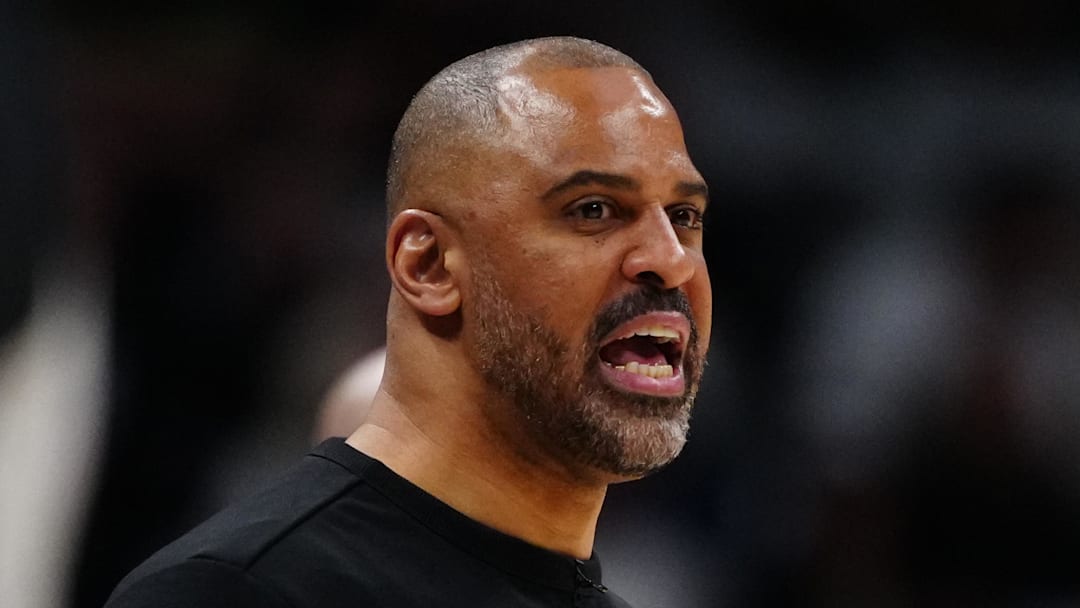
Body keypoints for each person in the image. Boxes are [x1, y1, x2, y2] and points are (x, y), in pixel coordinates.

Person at [104, 35, 712, 608]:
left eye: (684, 216)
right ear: (427, 266)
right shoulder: (239, 592)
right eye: (594, 209)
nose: (670, 259)